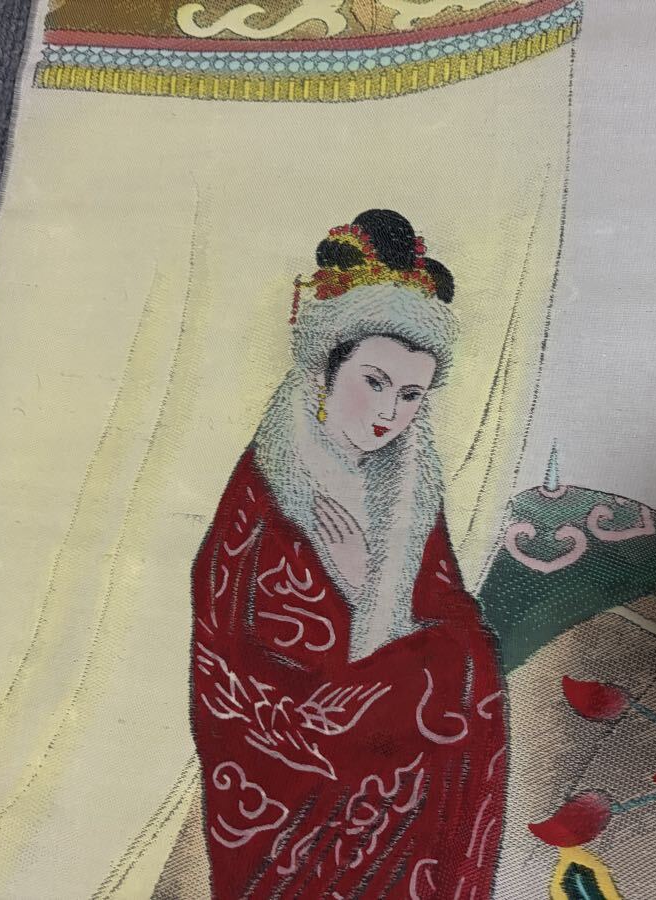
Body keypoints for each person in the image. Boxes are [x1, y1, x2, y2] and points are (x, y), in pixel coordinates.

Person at [190, 210, 508, 899]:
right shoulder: (264, 494)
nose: (390, 413)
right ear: (325, 368)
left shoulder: (409, 492)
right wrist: (380, 688)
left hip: (397, 774)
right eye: (374, 381)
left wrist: (370, 575)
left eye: (411, 395)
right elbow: (231, 665)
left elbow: (458, 628)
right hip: (290, 776)